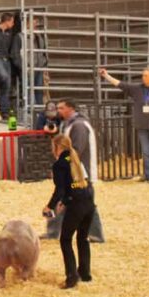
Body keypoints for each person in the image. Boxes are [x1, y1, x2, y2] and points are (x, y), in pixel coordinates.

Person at [99, 67, 149, 183]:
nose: (143, 77)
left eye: (146, 75)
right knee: (146, 150)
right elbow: (120, 84)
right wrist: (106, 76)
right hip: (141, 124)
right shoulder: (136, 88)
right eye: (143, 75)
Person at [41, 99, 105, 243]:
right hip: (75, 170)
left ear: (71, 109)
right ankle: (53, 232)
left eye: (61, 108)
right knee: (66, 200)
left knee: (85, 203)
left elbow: (76, 149)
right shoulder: (70, 124)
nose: (58, 111)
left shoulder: (79, 126)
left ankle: (96, 235)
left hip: (80, 172)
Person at [42, 134, 95, 290]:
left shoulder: (59, 164)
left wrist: (50, 206)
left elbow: (60, 189)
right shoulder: (75, 158)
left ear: (57, 147)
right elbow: (79, 184)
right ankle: (85, 274)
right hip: (89, 204)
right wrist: (65, 202)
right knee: (82, 238)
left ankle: (71, 277)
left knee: (65, 240)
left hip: (77, 206)